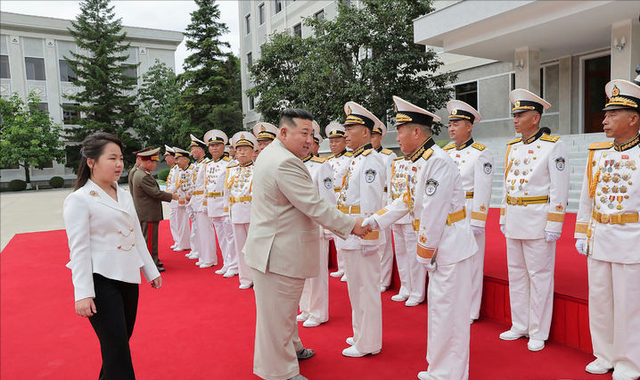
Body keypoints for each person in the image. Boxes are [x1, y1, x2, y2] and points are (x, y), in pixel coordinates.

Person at [243, 108, 371, 380]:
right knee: (277, 316)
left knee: (283, 310)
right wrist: (352, 226)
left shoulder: (272, 153)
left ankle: (293, 347)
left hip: (274, 248)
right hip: (278, 252)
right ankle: (279, 371)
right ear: (284, 132)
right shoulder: (285, 163)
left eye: (311, 134)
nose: (309, 140)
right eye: (304, 133)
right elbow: (314, 206)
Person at [364, 96, 478, 380]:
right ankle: (439, 368)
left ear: (416, 132)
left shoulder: (436, 162)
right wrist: (374, 220)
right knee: (440, 312)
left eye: (400, 131)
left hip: (449, 246)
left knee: (450, 314)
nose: (397, 137)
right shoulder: (419, 161)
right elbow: (405, 201)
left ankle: (451, 373)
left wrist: (424, 253)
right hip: (441, 246)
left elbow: (434, 212)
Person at [63, 132, 162, 380]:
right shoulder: (79, 200)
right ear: (91, 162)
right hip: (101, 280)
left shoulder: (124, 194)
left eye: (120, 158)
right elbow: (79, 248)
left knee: (118, 344)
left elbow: (136, 236)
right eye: (111, 158)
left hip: (127, 277)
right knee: (117, 348)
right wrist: (83, 293)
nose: (119, 164)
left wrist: (150, 270)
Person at [575, 79, 640, 380]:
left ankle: (629, 361)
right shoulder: (598, 153)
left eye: (613, 115)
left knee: (629, 305)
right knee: (600, 300)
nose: (604, 121)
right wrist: (581, 231)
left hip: (631, 239)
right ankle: (604, 354)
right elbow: (586, 197)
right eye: (605, 114)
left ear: (633, 118)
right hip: (600, 236)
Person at [498, 89, 570, 352]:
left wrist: (554, 223)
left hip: (538, 220)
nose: (515, 119)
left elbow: (558, 189)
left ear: (536, 117)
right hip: (515, 218)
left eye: (521, 114)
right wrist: (504, 215)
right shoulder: (512, 148)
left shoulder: (553, 146)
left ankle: (538, 330)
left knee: (539, 276)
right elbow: (508, 186)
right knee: (516, 274)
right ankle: (520, 324)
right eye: (514, 114)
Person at [338, 101, 386, 358]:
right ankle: (360, 333)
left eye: (351, 127)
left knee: (365, 289)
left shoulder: (370, 161)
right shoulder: (356, 159)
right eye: (346, 127)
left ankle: (369, 342)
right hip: (351, 234)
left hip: (362, 235)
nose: (346, 132)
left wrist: (370, 239)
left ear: (366, 132)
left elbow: (371, 204)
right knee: (355, 289)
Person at [443, 100, 494, 323]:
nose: (451, 128)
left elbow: (483, 190)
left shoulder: (480, 154)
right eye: (450, 124)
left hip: (469, 212)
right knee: (450, 261)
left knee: (472, 263)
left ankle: (471, 309)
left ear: (469, 126)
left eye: (457, 124)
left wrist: (478, 221)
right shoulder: (445, 152)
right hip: (447, 214)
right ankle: (454, 303)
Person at [297, 123, 336, 328]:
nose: (306, 145)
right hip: (297, 225)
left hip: (316, 225)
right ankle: (305, 308)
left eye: (309, 141)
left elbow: (328, 199)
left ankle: (319, 311)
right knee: (302, 270)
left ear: (316, 144)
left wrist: (328, 228)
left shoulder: (321, 166)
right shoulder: (293, 164)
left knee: (317, 272)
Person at [131, 147, 177, 272]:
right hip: (148, 213)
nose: (156, 165)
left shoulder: (141, 173)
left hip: (146, 212)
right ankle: (151, 264)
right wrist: (172, 196)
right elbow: (156, 193)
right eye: (155, 162)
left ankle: (153, 260)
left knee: (149, 239)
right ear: (148, 162)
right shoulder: (143, 176)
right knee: (150, 240)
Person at [387, 154, 425, 307]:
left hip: (410, 215)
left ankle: (417, 291)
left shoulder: (419, 161)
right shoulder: (396, 162)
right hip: (396, 215)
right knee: (401, 253)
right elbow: (391, 190)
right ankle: (405, 287)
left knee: (412, 253)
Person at [226, 132, 258, 289]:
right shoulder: (231, 169)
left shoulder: (258, 168)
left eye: (245, 149)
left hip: (252, 212)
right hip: (236, 211)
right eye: (239, 150)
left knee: (254, 247)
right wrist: (228, 212)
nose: (242, 152)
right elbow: (227, 192)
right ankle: (245, 278)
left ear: (253, 152)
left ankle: (258, 278)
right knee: (240, 247)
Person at [204, 129, 238, 276]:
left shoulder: (230, 164)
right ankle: (226, 262)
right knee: (221, 236)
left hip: (224, 203)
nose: (214, 148)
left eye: (217, 145)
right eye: (212, 146)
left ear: (223, 147)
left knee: (230, 236)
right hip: (212, 202)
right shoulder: (208, 164)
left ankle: (234, 265)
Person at [370, 119, 397, 292]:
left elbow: (392, 183)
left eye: (374, 136)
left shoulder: (388, 155)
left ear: (380, 137)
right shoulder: (364, 156)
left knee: (384, 243)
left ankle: (384, 279)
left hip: (382, 200)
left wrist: (388, 204)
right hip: (369, 202)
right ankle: (374, 276)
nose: (371, 139)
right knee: (371, 241)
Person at [324, 122, 353, 281]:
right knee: (336, 235)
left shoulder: (350, 159)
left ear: (344, 142)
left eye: (336, 141)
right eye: (331, 141)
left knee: (346, 234)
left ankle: (348, 269)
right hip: (331, 199)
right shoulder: (327, 160)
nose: (333, 144)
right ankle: (341, 267)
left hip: (343, 198)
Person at [187, 134, 217, 267]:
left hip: (202, 200)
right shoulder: (197, 164)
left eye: (193, 149)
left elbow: (207, 184)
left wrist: (205, 202)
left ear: (199, 149)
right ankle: (203, 255)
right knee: (199, 230)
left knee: (205, 230)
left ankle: (210, 258)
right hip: (195, 200)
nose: (191, 152)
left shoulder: (206, 164)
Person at [170, 147, 192, 251]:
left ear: (186, 159)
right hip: (180, 200)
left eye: (178, 159)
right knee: (180, 222)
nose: (176, 161)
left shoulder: (192, 170)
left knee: (188, 224)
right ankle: (183, 243)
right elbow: (176, 185)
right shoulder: (179, 171)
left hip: (190, 201)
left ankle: (187, 245)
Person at [164, 145, 180, 251]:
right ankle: (177, 241)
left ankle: (179, 241)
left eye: (167, 156)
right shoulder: (173, 169)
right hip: (172, 199)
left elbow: (176, 184)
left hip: (176, 199)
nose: (165, 159)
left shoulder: (177, 169)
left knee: (177, 221)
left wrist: (165, 194)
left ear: (172, 157)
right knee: (174, 221)